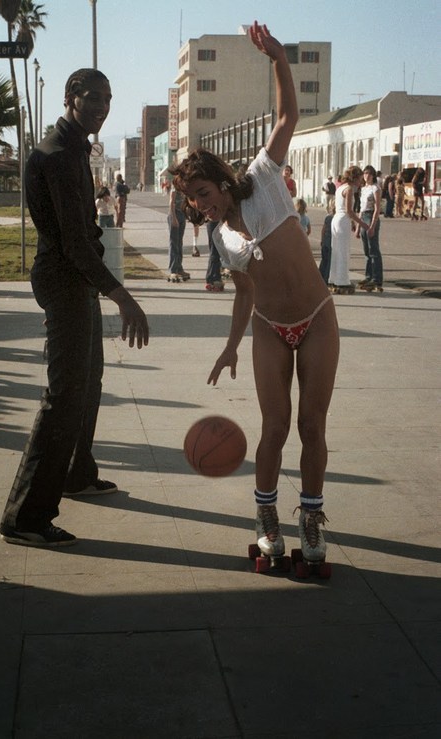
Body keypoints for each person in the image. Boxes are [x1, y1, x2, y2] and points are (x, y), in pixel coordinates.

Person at [170, 21, 339, 569]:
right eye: (192, 203)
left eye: (202, 195)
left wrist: (276, 59)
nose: (200, 207)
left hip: (316, 316)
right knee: (275, 428)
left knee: (312, 427)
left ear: (220, 182)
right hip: (270, 327)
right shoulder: (220, 235)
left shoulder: (264, 176)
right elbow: (245, 293)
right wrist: (229, 346)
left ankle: (310, 521)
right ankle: (267, 524)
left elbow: (288, 115)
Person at [0, 68, 149, 548]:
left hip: (75, 278)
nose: (103, 107)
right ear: (70, 97)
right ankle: (26, 516)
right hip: (65, 280)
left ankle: (76, 473)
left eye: (109, 98)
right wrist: (122, 296)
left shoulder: (74, 147)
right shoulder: (59, 155)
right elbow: (74, 245)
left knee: (89, 383)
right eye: (94, 99)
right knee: (65, 394)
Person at [329, 166, 369, 294]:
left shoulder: (340, 187)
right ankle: (342, 280)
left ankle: (334, 278)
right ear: (355, 177)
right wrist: (362, 224)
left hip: (336, 219)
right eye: (360, 178)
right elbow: (349, 211)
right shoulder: (349, 189)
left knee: (336, 250)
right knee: (343, 251)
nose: (361, 182)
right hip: (343, 220)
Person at [357, 165, 383, 291]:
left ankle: (377, 278)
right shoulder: (363, 189)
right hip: (363, 217)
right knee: (366, 250)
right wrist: (358, 227)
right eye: (365, 173)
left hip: (371, 215)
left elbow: (377, 208)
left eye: (369, 173)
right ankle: (368, 275)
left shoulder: (375, 188)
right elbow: (360, 209)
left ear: (373, 175)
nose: (366, 176)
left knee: (373, 249)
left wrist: (372, 225)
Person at [204, 220, 223, 291]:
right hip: (215, 223)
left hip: (213, 222)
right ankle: (214, 278)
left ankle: (211, 277)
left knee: (214, 250)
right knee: (215, 250)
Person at [318, 206, 334, 285]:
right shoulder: (335, 219)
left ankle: (319, 276)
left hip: (325, 241)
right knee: (329, 261)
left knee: (324, 260)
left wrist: (322, 239)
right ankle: (326, 278)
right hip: (331, 242)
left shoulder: (327, 218)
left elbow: (323, 229)